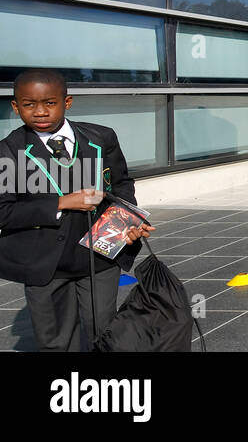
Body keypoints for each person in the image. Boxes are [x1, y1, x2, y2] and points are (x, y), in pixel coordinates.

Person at [0, 69, 153, 351]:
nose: (40, 112)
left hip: (99, 257)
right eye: (29, 104)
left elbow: (120, 184)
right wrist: (61, 202)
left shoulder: (102, 137)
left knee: (104, 330)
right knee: (54, 340)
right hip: (45, 264)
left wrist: (128, 224)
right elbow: (4, 211)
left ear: (67, 102)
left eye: (50, 102)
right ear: (15, 106)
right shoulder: (8, 151)